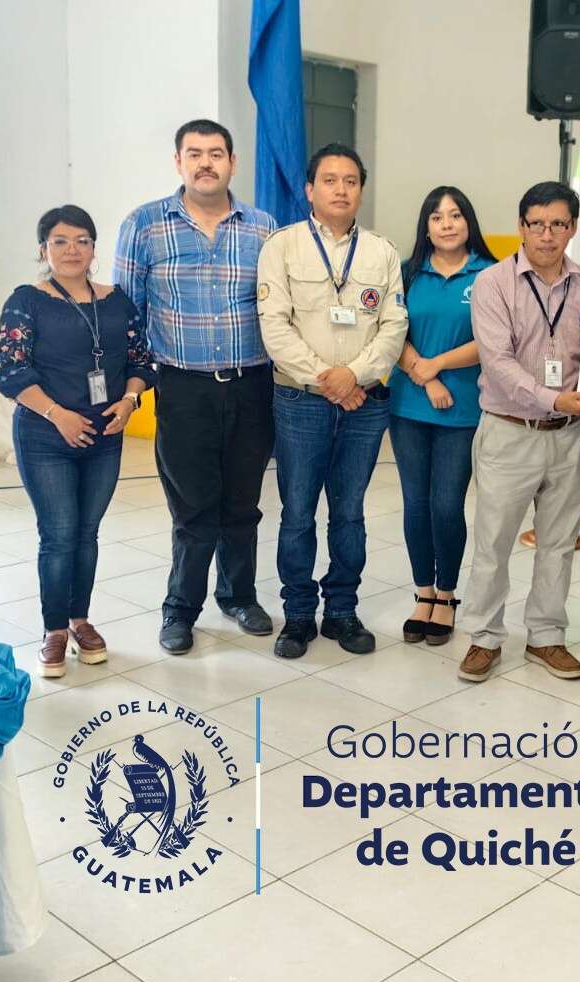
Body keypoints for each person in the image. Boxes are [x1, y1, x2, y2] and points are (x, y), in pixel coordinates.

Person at [113, 120, 278, 655]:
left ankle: (239, 597)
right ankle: (180, 609)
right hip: (183, 388)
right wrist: (132, 388)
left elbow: (279, 306)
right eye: (194, 153)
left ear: (232, 162)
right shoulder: (144, 225)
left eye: (216, 153)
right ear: (178, 161)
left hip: (252, 386)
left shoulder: (263, 228)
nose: (206, 163)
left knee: (243, 504)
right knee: (192, 508)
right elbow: (127, 315)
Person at [256, 143, 407, 660]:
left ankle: (342, 609)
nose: (341, 189)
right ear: (309, 190)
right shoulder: (282, 246)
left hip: (364, 403)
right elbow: (275, 327)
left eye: (350, 181)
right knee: (298, 512)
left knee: (349, 513)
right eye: (330, 180)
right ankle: (298, 614)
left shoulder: (382, 251)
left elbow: (394, 325)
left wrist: (354, 375)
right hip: (300, 401)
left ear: (361, 189)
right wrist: (329, 381)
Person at [0, 206, 157, 677]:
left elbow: (141, 361)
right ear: (43, 249)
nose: (72, 250)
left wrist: (129, 401)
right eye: (60, 241)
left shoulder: (117, 301)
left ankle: (80, 620)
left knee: (87, 533)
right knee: (59, 533)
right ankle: (54, 630)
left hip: (105, 436)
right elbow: (9, 371)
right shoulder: (27, 301)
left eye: (82, 240)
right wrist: (57, 414)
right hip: (46, 435)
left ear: (93, 248)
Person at [457, 181, 580, 683]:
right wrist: (552, 398)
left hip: (572, 434)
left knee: (559, 542)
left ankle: (546, 636)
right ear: (521, 226)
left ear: (573, 228)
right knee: (494, 542)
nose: (547, 234)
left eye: (558, 224)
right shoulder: (493, 284)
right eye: (537, 224)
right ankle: (484, 637)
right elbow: (497, 363)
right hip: (510, 431)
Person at [389, 186, 495, 646]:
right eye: (436, 217)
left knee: (447, 504)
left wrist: (438, 366)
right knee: (416, 503)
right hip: (409, 406)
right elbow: (391, 332)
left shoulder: (489, 274)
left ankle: (447, 595)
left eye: (455, 215)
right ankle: (423, 593)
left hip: (464, 409)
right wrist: (426, 377)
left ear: (468, 222)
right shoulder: (407, 272)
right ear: (426, 227)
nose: (446, 224)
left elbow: (492, 340)